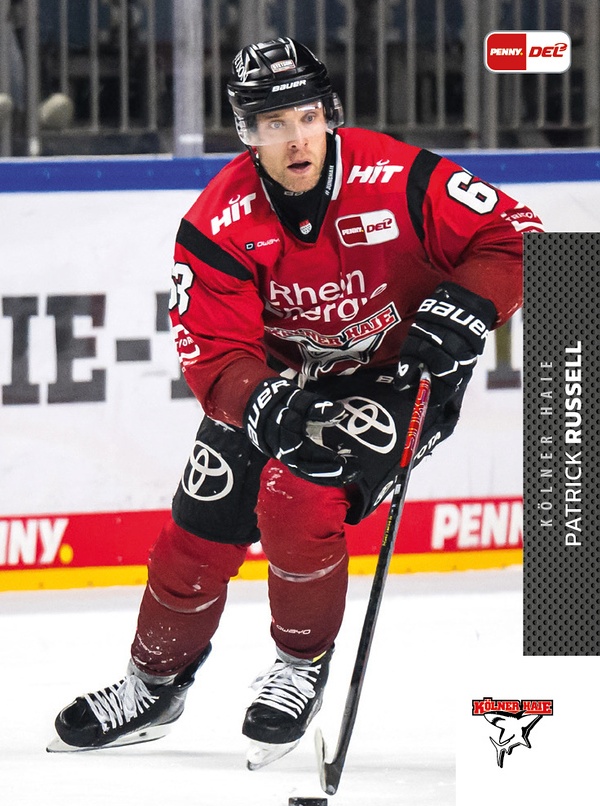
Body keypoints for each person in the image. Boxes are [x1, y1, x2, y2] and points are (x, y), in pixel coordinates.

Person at [48, 37, 542, 767]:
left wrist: (466, 307)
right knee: (201, 521)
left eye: (307, 117)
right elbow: (214, 352)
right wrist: (266, 403)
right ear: (247, 133)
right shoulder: (216, 222)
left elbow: (517, 236)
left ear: (329, 114)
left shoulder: (399, 176)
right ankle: (152, 684)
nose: (296, 139)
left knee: (296, 494)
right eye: (273, 124)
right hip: (283, 383)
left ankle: (300, 665)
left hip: (400, 377)